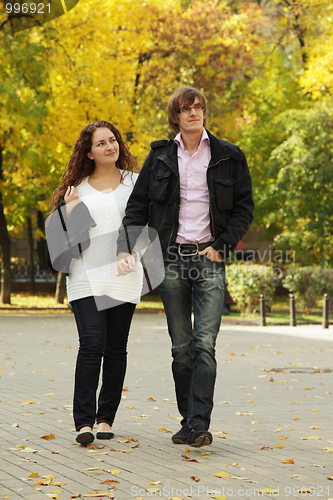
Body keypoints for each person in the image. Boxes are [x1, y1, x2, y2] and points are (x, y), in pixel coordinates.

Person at [117, 87, 254, 447]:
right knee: (182, 348)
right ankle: (188, 420)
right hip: (172, 259)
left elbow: (244, 207)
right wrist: (126, 249)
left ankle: (198, 424)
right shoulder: (161, 156)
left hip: (209, 259)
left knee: (204, 344)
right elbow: (138, 205)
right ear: (175, 117)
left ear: (205, 113)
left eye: (198, 107)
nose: (194, 113)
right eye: (186, 108)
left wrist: (221, 247)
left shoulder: (229, 156)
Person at [48, 121, 143, 445]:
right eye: (101, 143)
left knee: (116, 349)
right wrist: (72, 210)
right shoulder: (77, 189)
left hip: (124, 276)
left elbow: (147, 224)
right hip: (86, 276)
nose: (109, 146)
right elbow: (69, 244)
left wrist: (133, 253)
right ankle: (84, 423)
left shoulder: (135, 183)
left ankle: (105, 419)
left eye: (112, 140)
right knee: (92, 345)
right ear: (88, 152)